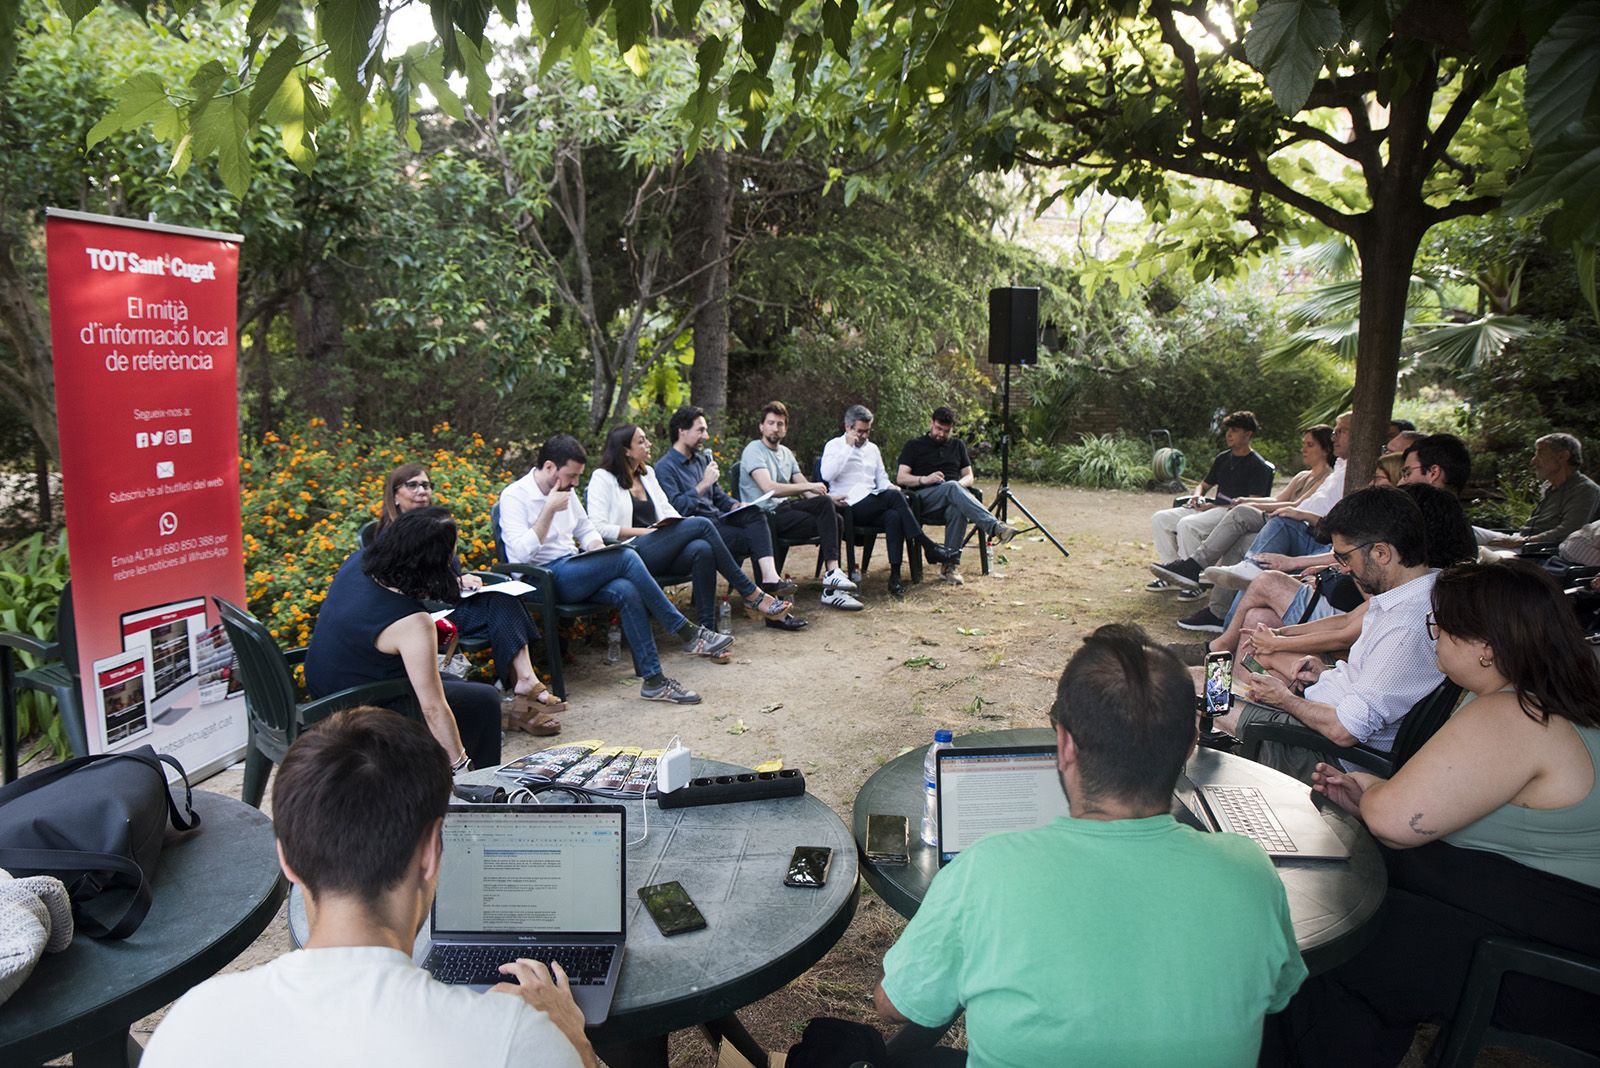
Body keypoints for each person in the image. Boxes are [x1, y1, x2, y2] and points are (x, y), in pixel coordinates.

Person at [874, 624, 1306, 1064]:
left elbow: (894, 1005)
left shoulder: (985, 870)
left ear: (1064, 744)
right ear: (1191, 745)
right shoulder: (1251, 873)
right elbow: (1278, 992)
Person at [1271, 561, 1600, 1065]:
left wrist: (1373, 792)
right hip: (1546, 935)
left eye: (1439, 626)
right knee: (1355, 919)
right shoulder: (1560, 700)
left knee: (1342, 938)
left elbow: (1394, 823)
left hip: (1548, 967)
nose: (1435, 638)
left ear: (1485, 646)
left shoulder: (1515, 712)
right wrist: (1380, 801)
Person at [141, 708, 594, 1068]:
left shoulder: (190, 1026)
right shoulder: (517, 1042)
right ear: (431, 851)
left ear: (286, 859)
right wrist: (573, 1039)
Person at [1219, 487, 1445, 780]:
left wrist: (1283, 699)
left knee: (1195, 688)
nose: (1343, 568)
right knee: (1218, 684)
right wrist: (1322, 673)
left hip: (1324, 754)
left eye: (1344, 557)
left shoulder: (1404, 626)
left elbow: (1344, 731)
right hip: (1321, 720)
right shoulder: (1417, 593)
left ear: (1381, 553)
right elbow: (1379, 681)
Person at [499, 434, 733, 705]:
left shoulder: (566, 490)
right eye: (571, 476)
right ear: (550, 467)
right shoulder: (514, 496)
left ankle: (654, 681)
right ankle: (686, 632)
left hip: (572, 568)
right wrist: (549, 510)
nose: (575, 483)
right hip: (540, 579)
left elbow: (586, 530)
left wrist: (598, 551)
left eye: (577, 477)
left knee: (626, 588)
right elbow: (520, 555)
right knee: (626, 555)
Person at [372, 463, 565, 735]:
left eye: (426, 485)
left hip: (451, 604)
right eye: (412, 485)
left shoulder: (436, 523)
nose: (421, 491)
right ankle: (524, 704)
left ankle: (525, 681)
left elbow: (446, 573)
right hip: (420, 618)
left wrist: (464, 580)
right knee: (503, 613)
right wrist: (452, 583)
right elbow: (405, 588)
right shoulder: (389, 538)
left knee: (505, 600)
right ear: (394, 495)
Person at [305, 508, 504, 770]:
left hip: (328, 686)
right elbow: (433, 708)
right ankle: (478, 781)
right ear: (433, 561)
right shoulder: (412, 623)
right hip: (363, 706)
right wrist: (459, 764)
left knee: (460, 687)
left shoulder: (358, 562)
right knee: (483, 699)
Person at [585, 424, 798, 631]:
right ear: (626, 450)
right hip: (630, 554)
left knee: (702, 549)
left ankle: (708, 630)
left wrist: (680, 527)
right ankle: (752, 594)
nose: (649, 444)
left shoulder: (647, 473)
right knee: (702, 524)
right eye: (641, 441)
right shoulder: (602, 478)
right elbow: (598, 527)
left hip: (660, 548)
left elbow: (667, 510)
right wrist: (647, 532)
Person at [1149, 422, 1337, 628]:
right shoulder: (1302, 476)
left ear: (1325, 449)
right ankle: (1217, 610)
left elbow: (1295, 506)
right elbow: (1277, 499)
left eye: (1310, 445)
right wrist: (1246, 500)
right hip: (1280, 521)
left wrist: (1249, 504)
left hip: (1291, 527)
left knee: (1240, 514)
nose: (1303, 449)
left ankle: (1194, 567)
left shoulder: (1328, 478)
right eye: (1304, 444)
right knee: (1239, 536)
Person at [655, 405, 796, 597]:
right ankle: (764, 599)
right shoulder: (664, 467)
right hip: (697, 529)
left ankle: (770, 580)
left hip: (718, 520)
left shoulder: (700, 461)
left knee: (755, 514)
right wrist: (704, 484)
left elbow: (718, 496)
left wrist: (736, 505)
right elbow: (677, 508)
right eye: (700, 430)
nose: (706, 436)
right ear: (682, 431)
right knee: (756, 538)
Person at [820, 404, 955, 599]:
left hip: (872, 502)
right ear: (848, 427)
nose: (864, 436)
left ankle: (895, 577)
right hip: (848, 505)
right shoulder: (835, 446)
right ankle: (927, 545)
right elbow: (827, 474)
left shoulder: (872, 449)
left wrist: (895, 489)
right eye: (860, 431)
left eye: (867, 431)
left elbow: (882, 480)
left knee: (894, 515)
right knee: (894, 499)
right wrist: (848, 447)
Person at [739, 400, 864, 611]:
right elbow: (769, 488)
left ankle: (832, 582)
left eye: (780, 424)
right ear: (761, 426)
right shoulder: (754, 450)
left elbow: (806, 492)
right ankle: (832, 580)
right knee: (830, 514)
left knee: (835, 517)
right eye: (771, 423)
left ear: (785, 428)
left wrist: (830, 498)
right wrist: (811, 486)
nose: (775, 428)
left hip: (786, 509)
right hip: (765, 515)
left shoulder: (787, 453)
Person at [1147, 410, 1275, 585]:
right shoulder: (1222, 458)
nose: (1229, 434)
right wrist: (1197, 496)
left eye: (1235, 430)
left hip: (1230, 514)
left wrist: (1214, 506)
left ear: (1248, 434)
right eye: (1228, 430)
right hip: (1211, 508)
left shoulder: (1258, 466)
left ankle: (1192, 580)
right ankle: (1171, 573)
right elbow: (1204, 485)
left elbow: (1251, 505)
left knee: (1188, 525)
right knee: (1160, 518)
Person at [894, 406, 1017, 586]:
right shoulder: (914, 445)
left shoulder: (957, 445)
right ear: (931, 423)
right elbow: (901, 478)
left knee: (957, 508)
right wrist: (924, 479)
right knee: (952, 488)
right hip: (923, 499)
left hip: (952, 496)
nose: (941, 434)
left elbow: (969, 476)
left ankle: (949, 566)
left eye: (946, 431)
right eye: (938, 429)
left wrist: (958, 487)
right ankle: (995, 527)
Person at [1487, 432, 1600, 549]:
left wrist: (1523, 541)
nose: (1533, 461)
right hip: (1519, 539)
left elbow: (1569, 532)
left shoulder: (1585, 490)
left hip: (1535, 549)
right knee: (1474, 534)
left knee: (1479, 553)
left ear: (1562, 456)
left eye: (1540, 453)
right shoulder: (1548, 487)